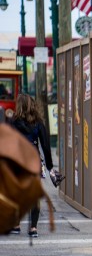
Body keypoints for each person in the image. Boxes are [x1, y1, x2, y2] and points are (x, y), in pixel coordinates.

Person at [9, 94, 54, 237]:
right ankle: (33, 228)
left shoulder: (12, 122)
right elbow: (46, 146)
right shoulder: (39, 122)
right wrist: (50, 167)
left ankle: (16, 225)